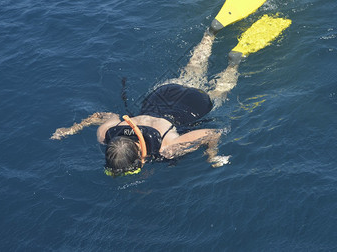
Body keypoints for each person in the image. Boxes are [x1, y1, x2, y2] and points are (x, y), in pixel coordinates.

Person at [51, 30, 241, 176]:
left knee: (219, 91)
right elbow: (104, 116)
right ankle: (210, 35)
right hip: (162, 93)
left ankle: (234, 64)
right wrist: (73, 128)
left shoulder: (168, 148)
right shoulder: (105, 133)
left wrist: (212, 155)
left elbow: (212, 133)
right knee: (191, 71)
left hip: (191, 105)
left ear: (140, 161)